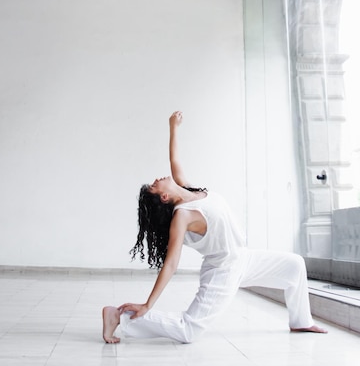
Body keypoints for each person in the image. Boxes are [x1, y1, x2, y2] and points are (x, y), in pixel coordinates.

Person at [102, 111, 327, 343]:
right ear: (165, 197)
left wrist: (173, 126)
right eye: (154, 186)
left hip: (244, 258)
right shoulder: (183, 216)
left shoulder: (189, 190)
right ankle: (119, 317)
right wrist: (148, 303)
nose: (156, 180)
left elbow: (175, 160)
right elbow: (171, 263)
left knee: (295, 266)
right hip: (223, 270)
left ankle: (301, 322)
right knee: (189, 331)